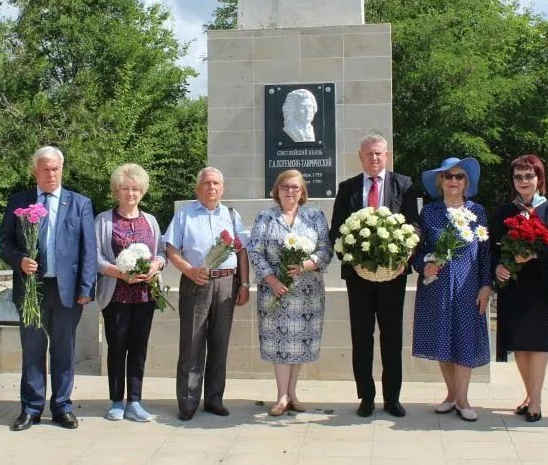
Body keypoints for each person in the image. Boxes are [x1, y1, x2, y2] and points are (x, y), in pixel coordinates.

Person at [0, 146, 96, 431]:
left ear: (62, 170)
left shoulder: (79, 203)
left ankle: (62, 407)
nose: (50, 173)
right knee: (32, 350)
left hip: (67, 291)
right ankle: (31, 408)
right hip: (32, 289)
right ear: (35, 171)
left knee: (64, 351)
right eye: (45, 168)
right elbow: (5, 242)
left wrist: (86, 287)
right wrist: (19, 260)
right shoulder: (20, 201)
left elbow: (88, 250)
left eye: (55, 168)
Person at [328, 134, 420, 418]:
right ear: (360, 157)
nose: (374, 158)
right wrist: (353, 260)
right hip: (358, 278)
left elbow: (414, 226)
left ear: (387, 155)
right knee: (362, 338)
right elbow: (336, 232)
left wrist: (404, 256)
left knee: (392, 338)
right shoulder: (348, 188)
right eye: (369, 154)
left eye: (379, 153)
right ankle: (366, 397)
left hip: (394, 277)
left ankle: (392, 398)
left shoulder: (403, 185)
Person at [163, 167, 250, 420]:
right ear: (197, 188)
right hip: (196, 283)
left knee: (219, 343)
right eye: (206, 183)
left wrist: (244, 284)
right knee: (192, 343)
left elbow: (242, 251)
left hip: (226, 285)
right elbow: (171, 249)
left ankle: (214, 399)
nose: (211, 187)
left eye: (216, 184)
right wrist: (189, 270)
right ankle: (188, 402)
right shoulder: (185, 215)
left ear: (222, 189)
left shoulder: (232, 215)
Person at [412, 157, 492, 422]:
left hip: (468, 286)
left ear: (466, 182)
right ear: (440, 182)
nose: (454, 181)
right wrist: (424, 267)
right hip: (437, 287)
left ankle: (464, 398)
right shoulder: (430, 212)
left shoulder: (477, 211)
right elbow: (418, 250)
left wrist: (486, 286)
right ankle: (451, 395)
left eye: (459, 177)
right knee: (442, 340)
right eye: (449, 177)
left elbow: (485, 252)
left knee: (464, 340)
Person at [248, 170, 333, 416]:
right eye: (285, 186)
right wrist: (273, 280)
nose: (290, 191)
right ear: (277, 190)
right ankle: (281, 396)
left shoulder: (315, 216)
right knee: (280, 343)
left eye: (295, 187)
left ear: (302, 191)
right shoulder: (265, 216)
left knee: (299, 344)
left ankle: (293, 394)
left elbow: (326, 248)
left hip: (308, 292)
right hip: (275, 291)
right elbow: (255, 251)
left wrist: (308, 263)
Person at [490, 155, 548, 422]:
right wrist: (498, 267)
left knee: (539, 344)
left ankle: (536, 400)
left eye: (529, 176)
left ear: (539, 179)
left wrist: (532, 256)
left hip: (541, 286)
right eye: (518, 177)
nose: (523, 181)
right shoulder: (504, 212)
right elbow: (493, 247)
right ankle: (529, 394)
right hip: (514, 287)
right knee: (520, 344)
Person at [94, 163, 166, 423]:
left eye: (135, 189)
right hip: (116, 296)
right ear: (116, 191)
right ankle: (116, 400)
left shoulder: (151, 221)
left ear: (142, 191)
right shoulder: (104, 220)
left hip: (145, 296)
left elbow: (161, 252)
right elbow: (96, 258)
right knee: (116, 348)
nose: (130, 194)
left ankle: (135, 401)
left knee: (138, 348)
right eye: (125, 189)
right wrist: (121, 273)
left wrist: (157, 265)